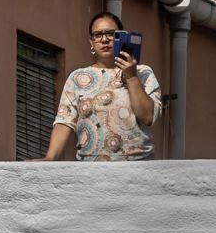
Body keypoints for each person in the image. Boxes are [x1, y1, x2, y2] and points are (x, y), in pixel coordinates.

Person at [40, 11, 163, 161]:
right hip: (90, 168)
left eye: (111, 34)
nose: (104, 39)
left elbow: (148, 117)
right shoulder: (78, 78)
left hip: (137, 167)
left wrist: (131, 78)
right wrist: (50, 158)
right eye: (97, 35)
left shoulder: (143, 73)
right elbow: (65, 121)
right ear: (91, 42)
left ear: (122, 36)